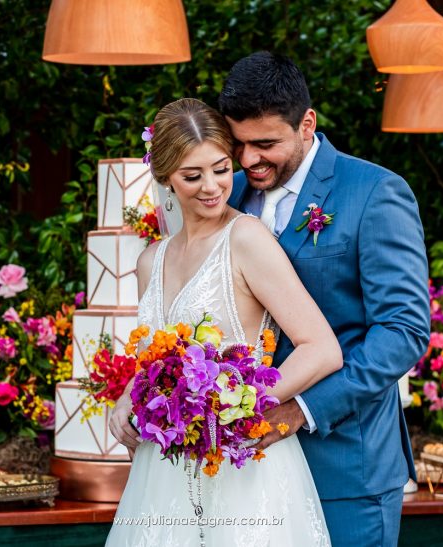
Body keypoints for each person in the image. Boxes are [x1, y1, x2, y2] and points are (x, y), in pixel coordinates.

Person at [106, 98, 342, 546]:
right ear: (165, 178)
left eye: (219, 168)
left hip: (245, 468)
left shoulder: (246, 239)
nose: (213, 186)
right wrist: (127, 400)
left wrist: (236, 406)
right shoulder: (149, 261)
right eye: (192, 176)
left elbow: (321, 348)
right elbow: (152, 362)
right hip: (165, 471)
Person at [219, 51, 431, 546]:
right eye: (238, 144)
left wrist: (303, 408)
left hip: (345, 467)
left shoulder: (375, 192)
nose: (248, 160)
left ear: (307, 123)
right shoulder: (226, 195)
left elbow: (402, 332)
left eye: (265, 143)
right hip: (245, 469)